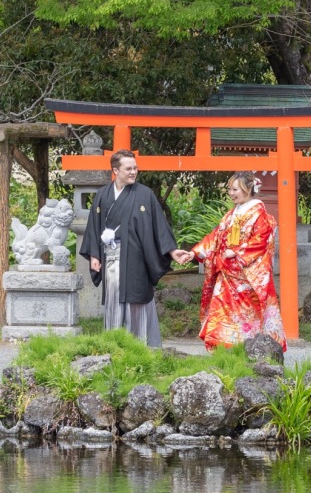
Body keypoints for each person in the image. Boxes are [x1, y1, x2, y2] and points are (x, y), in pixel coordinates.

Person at [172, 171, 286, 350]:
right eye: (230, 189)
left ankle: (249, 350)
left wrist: (238, 252)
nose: (231, 193)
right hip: (226, 275)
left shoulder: (260, 215)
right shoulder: (231, 215)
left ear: (249, 189)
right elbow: (215, 237)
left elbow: (261, 241)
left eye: (235, 189)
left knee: (249, 317)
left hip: (247, 278)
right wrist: (193, 254)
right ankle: (223, 352)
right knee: (220, 314)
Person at [80, 150, 178, 348]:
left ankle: (142, 348)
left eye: (135, 168)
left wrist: (172, 252)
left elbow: (159, 226)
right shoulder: (102, 195)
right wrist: (94, 255)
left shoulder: (145, 195)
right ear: (115, 170)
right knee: (114, 300)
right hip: (111, 257)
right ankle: (113, 346)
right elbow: (94, 226)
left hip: (137, 258)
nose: (133, 172)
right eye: (128, 168)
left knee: (137, 299)